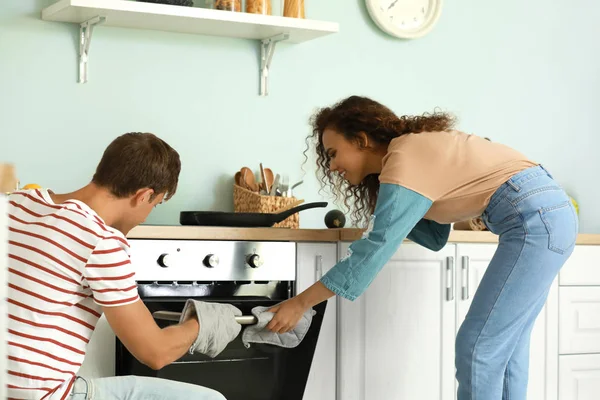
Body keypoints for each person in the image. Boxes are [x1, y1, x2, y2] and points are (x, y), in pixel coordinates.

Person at [267, 96, 578, 399]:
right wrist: (388, 221)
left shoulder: (404, 157)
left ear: (361, 140)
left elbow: (376, 248)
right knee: (506, 349)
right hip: (546, 215)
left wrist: (300, 303)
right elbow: (435, 237)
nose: (332, 165)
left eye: (333, 153)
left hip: (533, 219)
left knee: (478, 348)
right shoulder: (412, 152)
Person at [6, 132, 239, 400]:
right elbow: (155, 352)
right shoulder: (100, 240)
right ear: (144, 195)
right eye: (157, 202)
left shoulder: (17, 202)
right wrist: (204, 324)